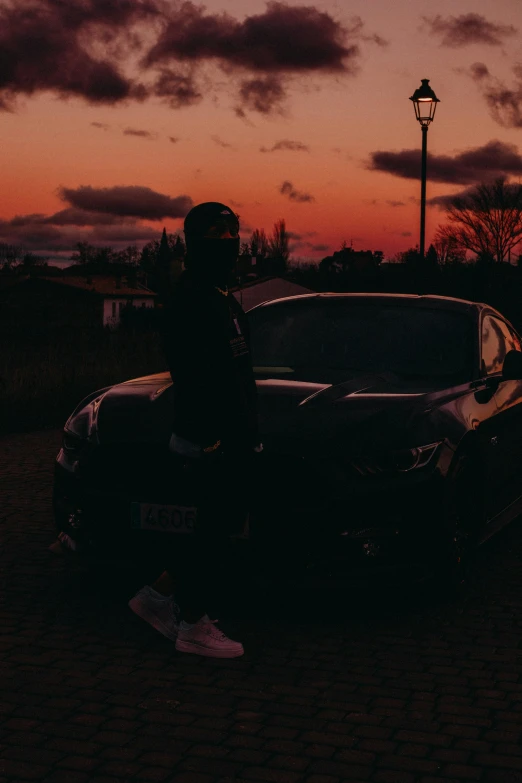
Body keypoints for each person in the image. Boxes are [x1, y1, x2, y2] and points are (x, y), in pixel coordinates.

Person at [128, 202, 263, 658]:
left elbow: (237, 372)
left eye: (233, 233)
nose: (229, 242)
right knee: (212, 534)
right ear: (196, 242)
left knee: (210, 529)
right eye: (218, 234)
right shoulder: (194, 300)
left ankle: (159, 599)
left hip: (221, 436)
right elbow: (202, 377)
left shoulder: (218, 297)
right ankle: (193, 626)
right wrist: (219, 438)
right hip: (209, 440)